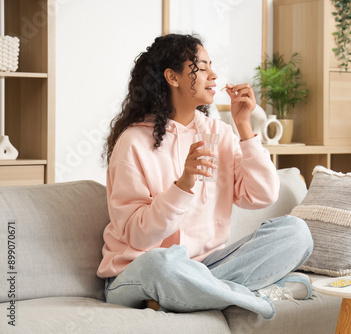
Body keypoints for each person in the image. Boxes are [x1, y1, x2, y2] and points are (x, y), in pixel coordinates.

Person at [97, 33, 313, 320]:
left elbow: (262, 195)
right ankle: (252, 297)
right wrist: (183, 185)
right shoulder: (133, 142)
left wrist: (244, 128)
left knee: (296, 232)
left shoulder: (219, 133)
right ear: (172, 77)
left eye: (212, 66)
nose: (214, 75)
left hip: (207, 266)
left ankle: (193, 295)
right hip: (138, 273)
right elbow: (137, 236)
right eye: (202, 66)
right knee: (163, 263)